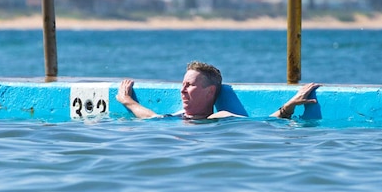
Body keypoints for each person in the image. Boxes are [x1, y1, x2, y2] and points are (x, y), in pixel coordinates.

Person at [115, 60, 321, 120]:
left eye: (190, 85)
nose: (182, 91)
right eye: (183, 85)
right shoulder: (176, 117)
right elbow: (151, 116)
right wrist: (127, 100)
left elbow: (267, 123)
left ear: (210, 91)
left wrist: (290, 105)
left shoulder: (220, 118)